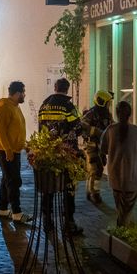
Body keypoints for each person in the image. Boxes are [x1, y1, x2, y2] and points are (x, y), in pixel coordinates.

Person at [38, 77, 86, 235]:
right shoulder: (68, 106)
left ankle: (47, 222)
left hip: (48, 153)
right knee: (68, 189)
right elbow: (78, 128)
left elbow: (41, 128)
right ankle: (68, 224)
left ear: (55, 87)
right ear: (67, 89)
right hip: (67, 154)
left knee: (48, 188)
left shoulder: (44, 104)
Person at [102, 101, 137, 227]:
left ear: (117, 114)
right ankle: (122, 234)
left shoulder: (110, 130)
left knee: (121, 208)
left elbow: (103, 148)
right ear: (130, 114)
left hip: (115, 177)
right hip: (132, 177)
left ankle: (121, 233)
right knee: (126, 210)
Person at [0, 81, 33, 225]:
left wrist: (25, 146)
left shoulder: (15, 107)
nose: (24, 95)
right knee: (14, 181)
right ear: (17, 93)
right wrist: (8, 150)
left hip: (14, 150)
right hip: (5, 151)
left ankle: (3, 210)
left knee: (7, 179)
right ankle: (17, 213)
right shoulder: (3, 107)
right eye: (23, 92)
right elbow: (0, 131)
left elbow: (17, 130)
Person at [80, 90, 114, 205]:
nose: (109, 105)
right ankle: (95, 193)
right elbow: (82, 125)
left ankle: (89, 191)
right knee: (96, 169)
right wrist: (96, 131)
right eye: (108, 103)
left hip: (101, 147)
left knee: (96, 169)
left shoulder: (107, 114)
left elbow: (111, 125)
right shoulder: (91, 114)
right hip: (91, 146)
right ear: (101, 102)